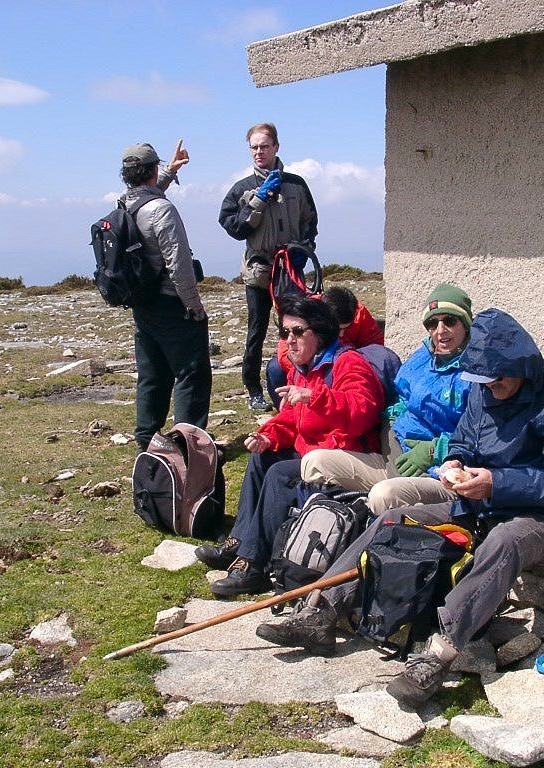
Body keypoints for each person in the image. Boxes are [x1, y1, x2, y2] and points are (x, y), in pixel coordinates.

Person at [256, 308, 544, 707]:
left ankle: (439, 653)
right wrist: (454, 462)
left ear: (517, 366)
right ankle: (322, 609)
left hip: (542, 515)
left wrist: (496, 483)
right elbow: (465, 440)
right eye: (482, 382)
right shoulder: (484, 388)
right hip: (477, 501)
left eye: (495, 381)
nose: (489, 389)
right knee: (391, 518)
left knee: (504, 542)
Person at [195, 295, 384, 597]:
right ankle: (239, 543)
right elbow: (292, 419)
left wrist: (315, 398)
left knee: (281, 474)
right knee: (262, 459)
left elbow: (363, 412)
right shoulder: (304, 367)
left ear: (319, 332)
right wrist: (269, 436)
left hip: (345, 455)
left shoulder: (348, 363)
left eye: (297, 332)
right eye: (285, 332)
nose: (289, 340)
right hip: (314, 450)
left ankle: (254, 566)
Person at [300, 283, 473, 513]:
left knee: (384, 495)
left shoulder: (476, 372)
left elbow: (483, 434)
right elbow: (401, 398)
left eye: (449, 321)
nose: (440, 331)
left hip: (440, 473)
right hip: (396, 456)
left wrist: (435, 450)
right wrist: (389, 425)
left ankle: (383, 523)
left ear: (466, 323)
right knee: (313, 463)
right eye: (432, 323)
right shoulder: (422, 358)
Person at [219, 122, 318, 412]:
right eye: (254, 147)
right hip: (259, 272)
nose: (259, 152)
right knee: (256, 331)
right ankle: (253, 389)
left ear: (276, 147)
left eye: (264, 146)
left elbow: (310, 220)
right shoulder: (241, 189)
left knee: (297, 328)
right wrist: (258, 199)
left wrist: (304, 249)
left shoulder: (297, 184)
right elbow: (234, 227)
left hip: (290, 270)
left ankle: (300, 381)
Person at [120, 141, 210, 450]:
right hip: (172, 303)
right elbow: (179, 265)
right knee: (191, 373)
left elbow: (149, 192)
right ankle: (188, 446)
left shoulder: (126, 205)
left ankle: (146, 442)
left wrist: (170, 172)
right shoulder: (162, 210)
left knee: (152, 374)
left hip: (143, 302)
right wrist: (194, 306)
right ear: (151, 170)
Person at [265, 286, 384, 409]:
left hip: (343, 364)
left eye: (346, 328)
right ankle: (287, 407)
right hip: (311, 365)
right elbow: (284, 350)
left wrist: (353, 363)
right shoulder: (304, 311)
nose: (341, 334)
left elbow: (375, 346)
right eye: (337, 328)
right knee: (275, 368)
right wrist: (308, 372)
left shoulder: (359, 314)